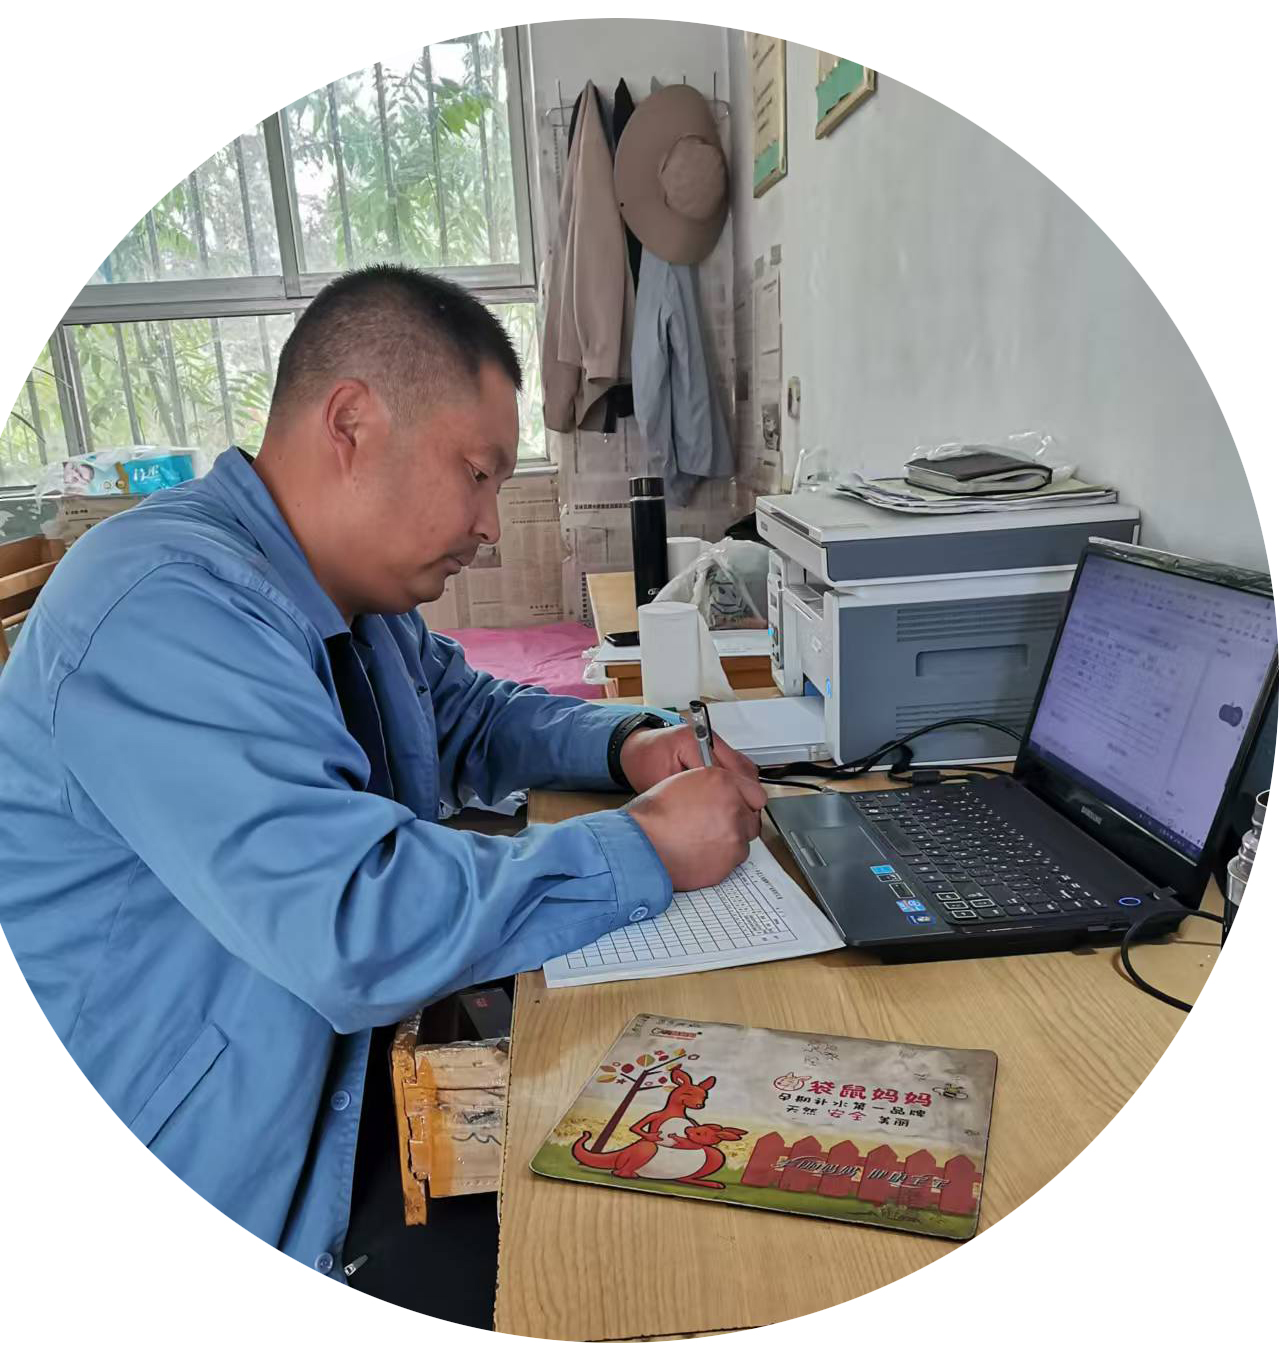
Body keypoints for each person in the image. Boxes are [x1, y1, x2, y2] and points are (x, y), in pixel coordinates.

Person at [0, 265, 764, 1317]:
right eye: (478, 474)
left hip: (345, 1078)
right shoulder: (164, 607)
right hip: (220, 1171)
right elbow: (352, 921)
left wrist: (625, 741)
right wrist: (644, 848)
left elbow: (469, 713)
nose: (491, 524)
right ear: (351, 423)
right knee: (637, 1265)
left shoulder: (349, 595)